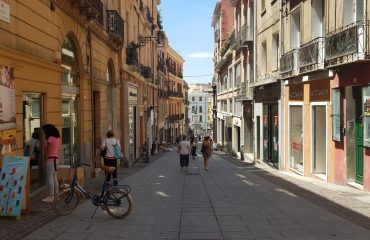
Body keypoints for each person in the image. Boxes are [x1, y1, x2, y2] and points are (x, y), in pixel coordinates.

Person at [41, 124, 60, 203]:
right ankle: (56, 195)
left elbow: (48, 151)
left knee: (49, 178)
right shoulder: (56, 138)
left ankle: (51, 196)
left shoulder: (50, 138)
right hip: (56, 159)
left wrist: (44, 161)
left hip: (50, 160)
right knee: (54, 177)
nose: (44, 133)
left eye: (45, 131)